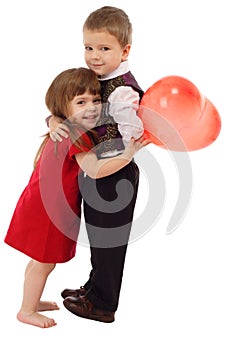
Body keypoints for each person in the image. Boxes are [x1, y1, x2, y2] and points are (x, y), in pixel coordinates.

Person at [4, 67, 147, 329]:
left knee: (38, 261)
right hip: (48, 211)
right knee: (43, 264)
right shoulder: (76, 134)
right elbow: (93, 169)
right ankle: (27, 310)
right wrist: (128, 154)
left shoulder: (66, 127)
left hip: (40, 203)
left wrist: (55, 119)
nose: (92, 107)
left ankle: (32, 301)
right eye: (81, 102)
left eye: (95, 100)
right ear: (64, 108)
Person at [48, 6, 145, 323]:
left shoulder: (123, 91)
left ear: (124, 50)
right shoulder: (97, 79)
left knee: (109, 241)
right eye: (89, 47)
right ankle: (93, 290)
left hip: (115, 172)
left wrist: (125, 148)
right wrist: (54, 121)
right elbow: (69, 107)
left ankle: (103, 304)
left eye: (104, 49)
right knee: (97, 236)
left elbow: (133, 133)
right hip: (96, 168)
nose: (94, 56)